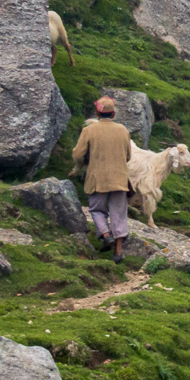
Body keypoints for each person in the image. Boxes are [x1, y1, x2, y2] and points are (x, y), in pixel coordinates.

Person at [73, 96, 134, 262]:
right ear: (113, 114)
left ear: (97, 113)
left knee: (96, 209)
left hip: (97, 178)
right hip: (120, 179)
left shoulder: (89, 130)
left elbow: (78, 154)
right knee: (119, 214)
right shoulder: (123, 130)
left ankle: (106, 235)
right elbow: (128, 156)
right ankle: (118, 253)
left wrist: (84, 162)